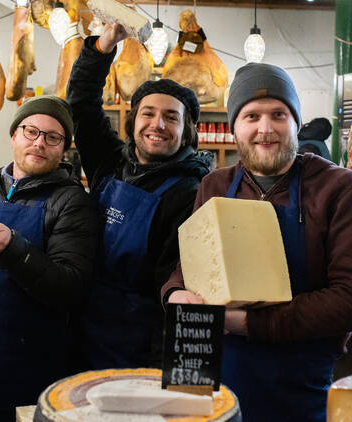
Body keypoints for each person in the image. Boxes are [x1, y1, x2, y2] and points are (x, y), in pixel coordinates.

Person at [161, 63, 352, 422]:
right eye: (251, 116)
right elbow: (190, 268)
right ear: (234, 127)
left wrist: (245, 323)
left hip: (297, 387)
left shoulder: (341, 189)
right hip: (212, 377)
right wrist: (174, 294)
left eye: (278, 114)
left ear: (295, 122)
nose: (266, 129)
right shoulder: (215, 185)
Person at [0, 95, 99, 420]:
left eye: (53, 137)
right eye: (31, 131)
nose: (39, 143)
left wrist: (13, 248)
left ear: (63, 147)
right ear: (14, 135)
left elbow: (70, 288)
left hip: (27, 366)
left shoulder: (71, 203)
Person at [67, 23, 212, 369]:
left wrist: (169, 378)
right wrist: (101, 48)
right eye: (148, 113)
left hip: (142, 349)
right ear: (133, 122)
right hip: (83, 334)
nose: (157, 124)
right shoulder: (111, 163)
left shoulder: (192, 194)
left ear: (186, 131)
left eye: (171, 117)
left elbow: (180, 294)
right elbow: (81, 103)